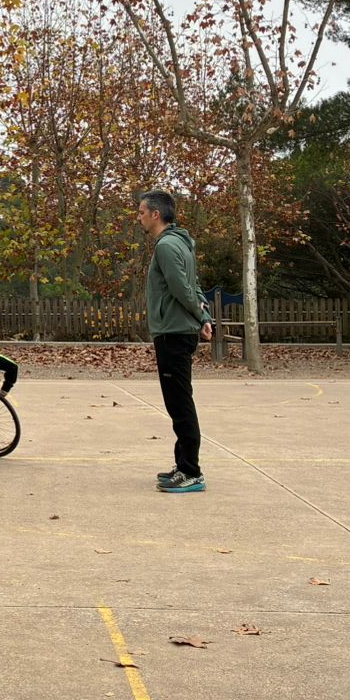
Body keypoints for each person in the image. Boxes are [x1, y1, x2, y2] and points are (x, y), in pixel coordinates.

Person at [138, 189, 211, 493]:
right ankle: (183, 465)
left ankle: (191, 472)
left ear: (156, 214)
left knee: (179, 403)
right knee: (179, 401)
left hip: (173, 332)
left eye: (142, 212)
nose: (139, 217)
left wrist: (199, 315)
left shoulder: (167, 246)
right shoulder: (181, 242)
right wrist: (204, 317)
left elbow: (182, 288)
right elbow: (194, 285)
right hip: (179, 330)